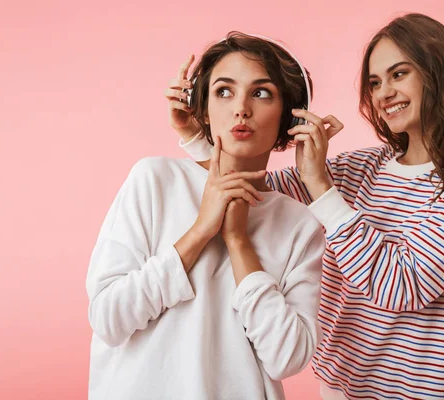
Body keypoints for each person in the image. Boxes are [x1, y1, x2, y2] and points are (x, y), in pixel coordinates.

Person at [172, 14, 444, 400]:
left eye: (398, 74)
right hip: (338, 387)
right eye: (374, 82)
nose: (384, 92)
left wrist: (320, 185)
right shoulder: (366, 166)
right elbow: (252, 194)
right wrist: (195, 138)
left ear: (437, 72)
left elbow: (404, 285)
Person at [87, 32, 333, 400]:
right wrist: (201, 229)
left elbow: (287, 358)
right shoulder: (155, 180)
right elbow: (109, 318)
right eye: (224, 91)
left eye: (261, 92)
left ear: (288, 117)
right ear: (202, 109)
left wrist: (238, 241)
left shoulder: (300, 224)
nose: (241, 108)